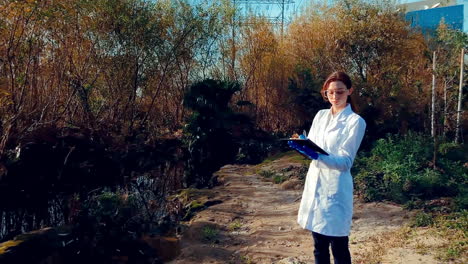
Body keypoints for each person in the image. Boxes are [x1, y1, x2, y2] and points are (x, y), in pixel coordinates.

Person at [288, 71, 366, 264]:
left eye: (339, 92)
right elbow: (313, 143)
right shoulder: (321, 116)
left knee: (339, 247)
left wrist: (318, 155)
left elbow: (346, 162)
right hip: (316, 184)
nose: (334, 97)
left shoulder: (355, 122)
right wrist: (303, 146)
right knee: (319, 246)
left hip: (336, 189)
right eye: (329, 93)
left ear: (350, 91)